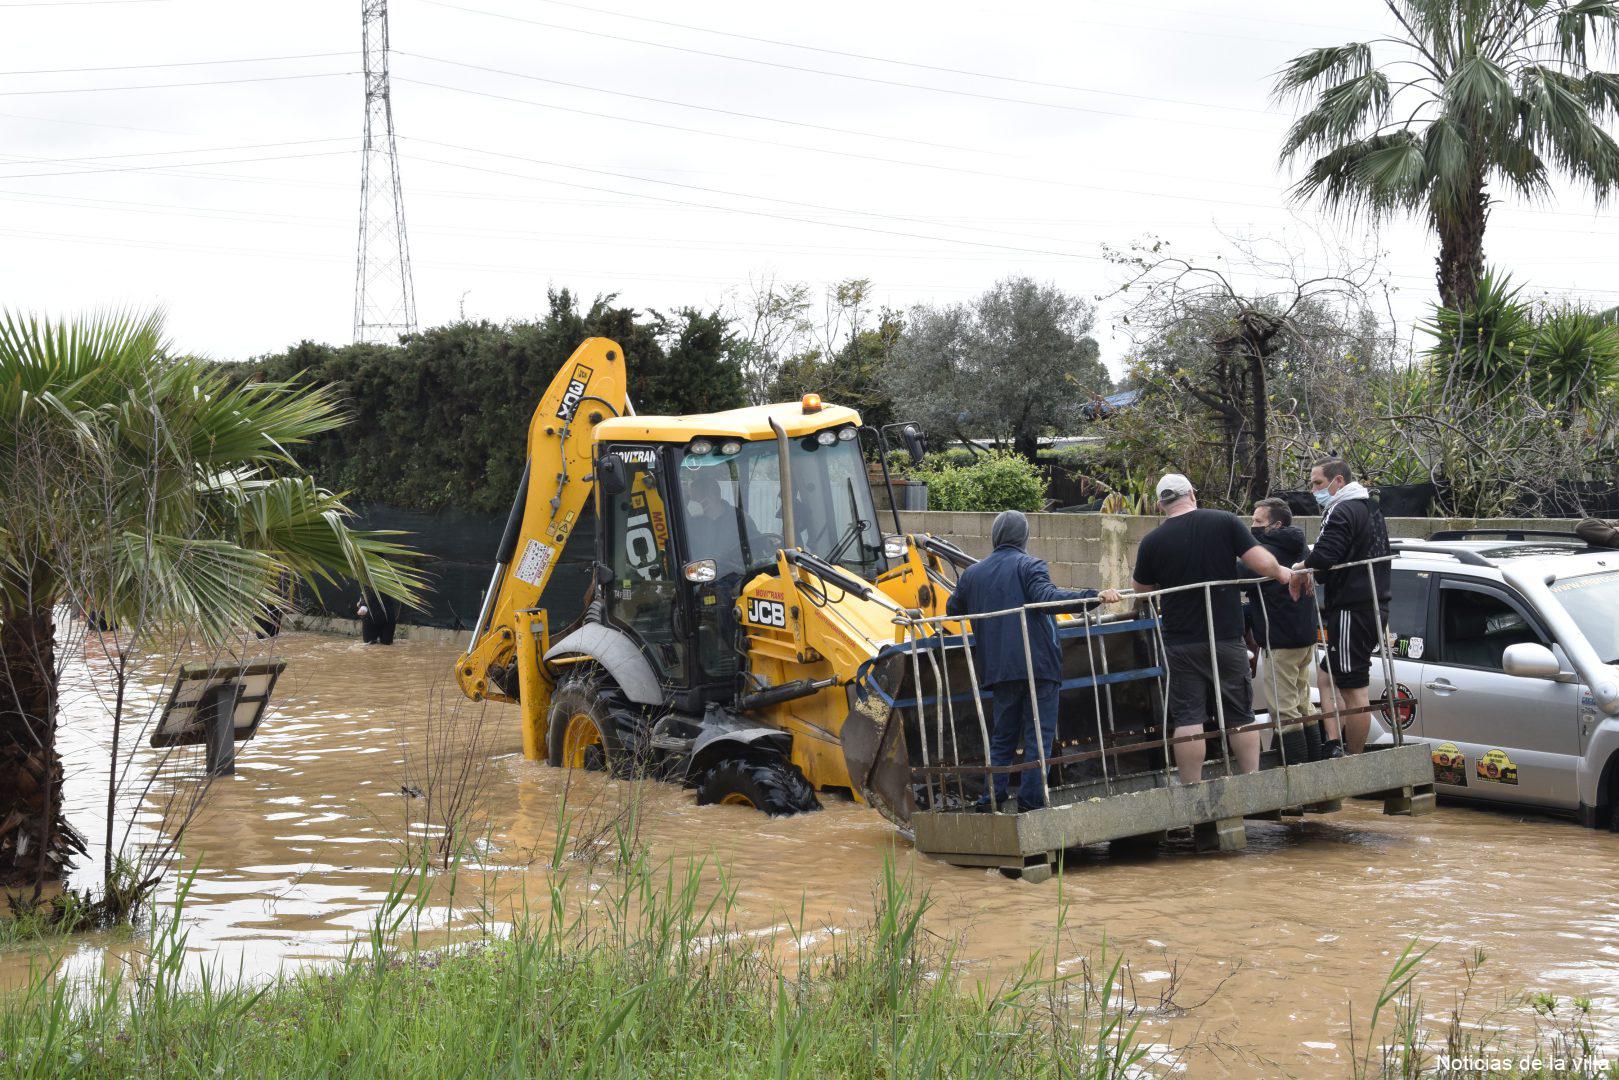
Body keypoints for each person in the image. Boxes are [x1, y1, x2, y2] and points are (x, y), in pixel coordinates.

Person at [945, 509, 1121, 811]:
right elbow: (1048, 598)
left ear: (995, 537)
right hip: (1037, 666)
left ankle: (991, 798)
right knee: (1038, 736)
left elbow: (952, 608)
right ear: (1025, 538)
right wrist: (1095, 596)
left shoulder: (973, 575)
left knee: (1003, 736)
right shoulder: (1030, 565)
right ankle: (1030, 802)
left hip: (999, 669)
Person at [1132, 474, 1295, 785]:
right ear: (1192, 494)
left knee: (1189, 717)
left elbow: (1140, 589)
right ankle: (1251, 784)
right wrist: (1282, 573)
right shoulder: (1224, 521)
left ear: (1160, 504)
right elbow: (1261, 563)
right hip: (1225, 635)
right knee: (1240, 714)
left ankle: (1191, 788)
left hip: (1181, 641)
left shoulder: (1152, 541)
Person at [1293, 457, 1391, 757]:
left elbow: (1326, 553)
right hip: (1368, 603)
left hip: (1352, 607)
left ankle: (1354, 757)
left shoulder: (1342, 508)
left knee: (1353, 689)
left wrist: (1301, 568)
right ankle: (1334, 743)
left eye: (1318, 483)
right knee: (1325, 676)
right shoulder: (1368, 506)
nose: (1314, 490)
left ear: (1338, 482)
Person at [1243, 497, 1320, 761]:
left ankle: (1299, 781)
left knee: (1284, 711)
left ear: (1276, 525)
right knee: (1303, 703)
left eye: (1257, 521)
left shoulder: (1266, 554)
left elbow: (1239, 577)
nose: (1252, 526)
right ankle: (1317, 769)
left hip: (1281, 641)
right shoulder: (1302, 547)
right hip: (1306, 638)